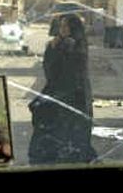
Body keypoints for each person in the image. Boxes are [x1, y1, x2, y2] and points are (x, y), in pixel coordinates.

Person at [28, 13, 96, 164]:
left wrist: (58, 48)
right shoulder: (59, 43)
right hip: (59, 92)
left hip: (75, 96)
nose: (62, 29)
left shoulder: (78, 45)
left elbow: (72, 69)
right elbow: (50, 70)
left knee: (74, 134)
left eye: (66, 26)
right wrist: (53, 48)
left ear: (73, 28)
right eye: (61, 26)